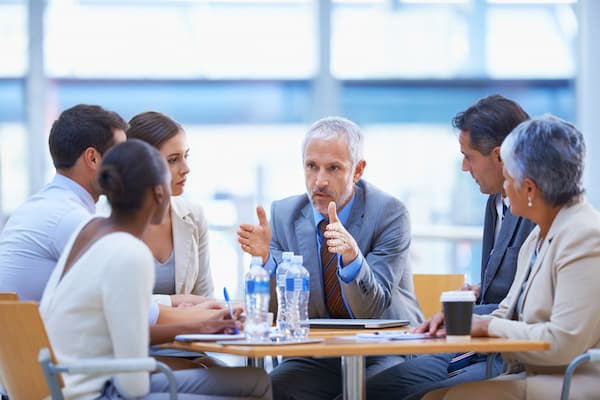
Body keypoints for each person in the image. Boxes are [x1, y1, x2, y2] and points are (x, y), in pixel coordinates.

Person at [40, 140, 272, 400]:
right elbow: (134, 387)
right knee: (246, 388)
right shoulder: (130, 253)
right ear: (160, 194)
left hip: (66, 383)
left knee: (256, 380)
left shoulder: (89, 230)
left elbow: (123, 331)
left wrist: (203, 325)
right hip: (95, 392)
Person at [0, 104, 227, 339]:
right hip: (73, 369)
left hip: (33, 364)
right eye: (121, 154)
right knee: (245, 377)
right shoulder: (75, 222)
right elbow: (135, 314)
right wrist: (207, 317)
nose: (127, 165)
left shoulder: (42, 206)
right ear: (93, 158)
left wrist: (204, 316)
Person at [237, 116, 422, 400]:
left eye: (333, 168)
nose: (319, 181)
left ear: (358, 170)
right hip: (315, 355)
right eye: (312, 167)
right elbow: (274, 316)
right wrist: (265, 263)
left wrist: (351, 257)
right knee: (263, 392)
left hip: (382, 350)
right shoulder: (284, 215)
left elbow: (370, 310)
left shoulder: (389, 213)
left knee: (361, 393)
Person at [366, 94, 536, 400]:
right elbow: (508, 286)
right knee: (364, 391)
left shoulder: (537, 212)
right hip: (472, 347)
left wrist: (464, 314)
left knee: (420, 394)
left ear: (499, 157)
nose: (464, 167)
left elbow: (530, 304)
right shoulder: (495, 202)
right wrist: (477, 293)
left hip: (504, 355)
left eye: (469, 157)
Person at [421, 115, 600, 399]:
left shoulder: (586, 236)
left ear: (529, 189)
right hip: (535, 374)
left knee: (456, 398)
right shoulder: (538, 236)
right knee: (434, 396)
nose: (503, 188)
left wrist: (487, 326)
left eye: (507, 179)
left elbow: (563, 342)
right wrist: (461, 321)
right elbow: (507, 311)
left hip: (573, 380)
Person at [126, 111, 213, 305]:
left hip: (184, 334)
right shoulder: (108, 224)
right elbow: (118, 303)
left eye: (186, 156)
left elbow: (204, 297)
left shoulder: (193, 215)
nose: (186, 168)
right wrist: (174, 301)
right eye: (173, 160)